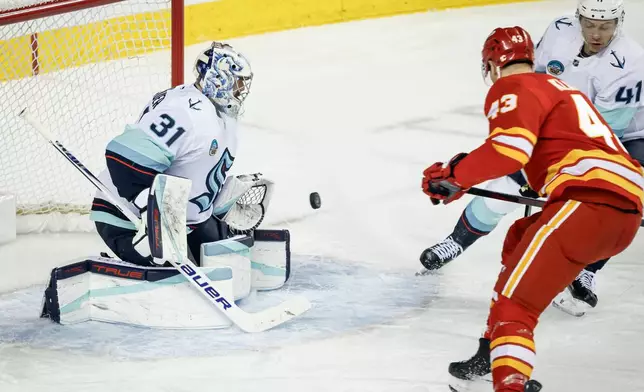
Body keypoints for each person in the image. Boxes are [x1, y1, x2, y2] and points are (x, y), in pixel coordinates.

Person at [422, 26, 643, 392]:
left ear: (492, 65)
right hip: (624, 213)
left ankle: (509, 381)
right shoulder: (565, 90)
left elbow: (509, 150)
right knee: (520, 238)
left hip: (585, 205)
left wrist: (454, 177)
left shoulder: (512, 87)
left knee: (516, 307)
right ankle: (488, 351)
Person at [89, 41, 253, 266]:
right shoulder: (187, 111)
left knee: (229, 263)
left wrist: (223, 198)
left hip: (183, 221)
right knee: (179, 275)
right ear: (218, 79)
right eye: (237, 84)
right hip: (130, 218)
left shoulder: (219, 114)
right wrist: (150, 211)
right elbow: (124, 159)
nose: (241, 91)